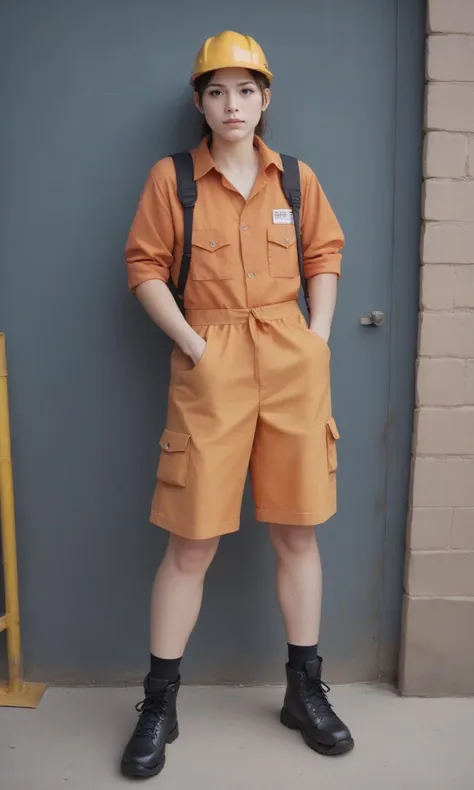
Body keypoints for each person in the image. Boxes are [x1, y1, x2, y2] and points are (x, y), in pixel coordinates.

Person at [120, 30, 353, 780]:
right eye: (217, 91)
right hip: (212, 364)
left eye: (246, 90)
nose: (232, 105)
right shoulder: (173, 181)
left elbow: (325, 255)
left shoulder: (297, 180)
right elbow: (144, 267)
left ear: (266, 99)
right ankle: (159, 703)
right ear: (199, 101)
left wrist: (314, 339)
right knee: (191, 543)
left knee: (297, 534)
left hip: (291, 362)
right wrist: (194, 344)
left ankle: (304, 691)